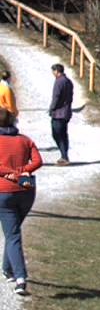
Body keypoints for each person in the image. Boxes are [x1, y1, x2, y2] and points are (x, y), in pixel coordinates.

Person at [0, 110, 42, 296]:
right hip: (26, 190)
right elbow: (38, 161)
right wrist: (23, 171)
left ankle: (20, 278)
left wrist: (11, 175)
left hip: (4, 191)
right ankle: (7, 269)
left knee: (13, 234)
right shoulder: (25, 140)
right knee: (14, 231)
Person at [49, 63, 74, 166]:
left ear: (56, 71)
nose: (52, 73)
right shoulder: (68, 81)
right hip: (66, 112)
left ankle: (64, 156)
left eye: (53, 71)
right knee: (63, 134)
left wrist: (52, 108)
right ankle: (64, 155)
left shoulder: (59, 82)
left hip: (59, 113)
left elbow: (56, 97)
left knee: (57, 134)